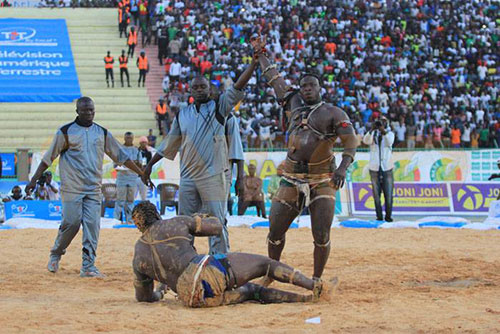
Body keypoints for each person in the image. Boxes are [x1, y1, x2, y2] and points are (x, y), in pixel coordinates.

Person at [251, 35, 358, 283]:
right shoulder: (293, 103)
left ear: (320, 88)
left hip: (322, 179)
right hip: (291, 177)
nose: (307, 88)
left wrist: (342, 168)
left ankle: (317, 279)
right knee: (275, 230)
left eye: (311, 85)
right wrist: (261, 55)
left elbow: (350, 140)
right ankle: (272, 273)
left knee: (321, 235)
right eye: (304, 86)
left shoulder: (334, 112)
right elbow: (273, 77)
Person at [142, 45, 260, 255]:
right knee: (184, 222)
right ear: (189, 90)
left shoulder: (220, 108)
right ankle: (184, 259)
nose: (199, 90)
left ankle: (220, 262)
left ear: (209, 88)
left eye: (202, 87)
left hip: (213, 176)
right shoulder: (182, 114)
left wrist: (253, 63)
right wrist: (149, 165)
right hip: (187, 176)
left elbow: (237, 87)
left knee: (216, 221)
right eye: (195, 88)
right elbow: (169, 142)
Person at [25, 97, 151, 278]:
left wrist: (141, 173)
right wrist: (33, 180)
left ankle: (88, 265)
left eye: (91, 110)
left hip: (93, 188)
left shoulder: (101, 132)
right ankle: (56, 253)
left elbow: (122, 156)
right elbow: (48, 158)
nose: (89, 114)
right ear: (77, 111)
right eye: (85, 111)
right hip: (71, 187)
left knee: (93, 225)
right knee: (72, 223)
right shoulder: (65, 132)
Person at [131, 201, 335, 307]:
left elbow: (143, 297)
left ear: (138, 225)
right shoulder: (175, 222)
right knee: (266, 264)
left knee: (253, 292)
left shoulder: (138, 255)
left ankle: (306, 301)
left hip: (192, 298)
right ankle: (315, 287)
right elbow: (217, 228)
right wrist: (202, 217)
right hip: (207, 271)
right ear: (156, 213)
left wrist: (160, 292)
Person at [362, 116, 395, 222]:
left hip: (387, 167)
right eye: (380, 122)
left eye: (383, 122)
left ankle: (388, 216)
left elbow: (389, 142)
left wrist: (383, 131)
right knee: (376, 195)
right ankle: (379, 216)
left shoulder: (390, 134)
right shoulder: (373, 134)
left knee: (388, 194)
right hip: (374, 167)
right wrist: (372, 129)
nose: (381, 124)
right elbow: (366, 141)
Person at [114, 132, 141, 223]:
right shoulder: (120, 149)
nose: (129, 139)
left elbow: (140, 163)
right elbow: (115, 164)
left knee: (130, 200)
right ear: (124, 138)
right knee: (120, 200)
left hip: (133, 178)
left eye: (130, 138)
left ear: (133, 138)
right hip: (122, 178)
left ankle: (130, 220)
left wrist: (134, 163)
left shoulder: (136, 150)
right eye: (127, 138)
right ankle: (117, 219)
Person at [137, 136, 153, 200]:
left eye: (145, 142)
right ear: (140, 143)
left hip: (144, 176)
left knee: (144, 197)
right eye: (142, 142)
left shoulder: (148, 153)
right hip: (136, 176)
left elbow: (150, 165)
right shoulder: (136, 151)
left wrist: (148, 177)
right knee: (132, 197)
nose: (144, 144)